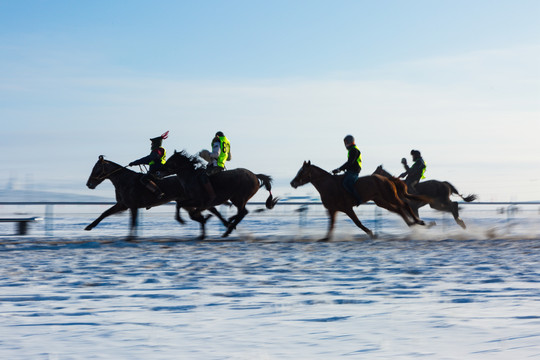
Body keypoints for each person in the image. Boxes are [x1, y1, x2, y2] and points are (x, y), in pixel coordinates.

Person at [128, 131, 169, 199]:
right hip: (158, 168)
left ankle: (158, 193)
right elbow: (150, 160)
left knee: (144, 179)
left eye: (152, 143)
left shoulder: (157, 151)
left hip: (157, 170)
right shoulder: (160, 150)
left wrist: (134, 163)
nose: (151, 145)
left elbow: (148, 159)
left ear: (155, 144)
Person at [200, 131, 231, 204]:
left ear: (217, 136)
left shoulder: (217, 143)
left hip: (216, 166)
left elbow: (216, 154)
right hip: (221, 165)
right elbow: (229, 158)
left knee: (203, 176)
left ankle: (212, 195)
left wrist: (205, 154)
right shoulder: (226, 143)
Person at [332, 135, 363, 206]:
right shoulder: (351, 150)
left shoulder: (354, 150)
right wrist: (339, 169)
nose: (345, 145)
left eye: (346, 143)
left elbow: (350, 163)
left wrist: (339, 169)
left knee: (346, 183)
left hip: (354, 172)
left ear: (350, 142)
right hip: (351, 171)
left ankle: (357, 199)